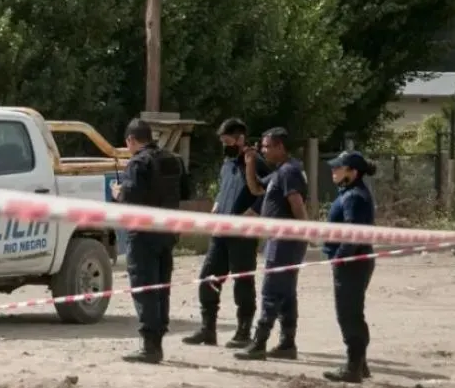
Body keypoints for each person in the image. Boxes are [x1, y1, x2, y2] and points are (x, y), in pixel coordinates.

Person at [183, 118, 269, 348]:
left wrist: (253, 212)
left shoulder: (255, 162)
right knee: (208, 278)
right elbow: (224, 190)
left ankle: (243, 332)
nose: (224, 145)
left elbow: (267, 191)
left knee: (243, 281)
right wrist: (217, 205)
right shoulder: (227, 164)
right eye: (222, 141)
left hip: (242, 233)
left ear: (240, 139)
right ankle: (207, 329)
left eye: (228, 141)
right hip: (221, 232)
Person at [110, 119, 183, 364]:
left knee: (144, 288)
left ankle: (150, 346)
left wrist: (118, 193)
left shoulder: (137, 163)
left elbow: (130, 199)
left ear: (131, 140)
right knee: (161, 287)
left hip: (143, 234)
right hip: (167, 232)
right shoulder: (172, 159)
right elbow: (185, 192)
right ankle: (157, 341)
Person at [235, 127, 309, 361]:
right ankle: (287, 344)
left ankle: (259, 343)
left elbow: (297, 204)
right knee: (286, 293)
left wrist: (301, 234)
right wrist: (250, 162)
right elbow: (256, 188)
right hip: (279, 240)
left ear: (280, 147)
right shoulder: (280, 172)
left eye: (267, 146)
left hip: (285, 241)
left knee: (271, 291)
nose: (263, 150)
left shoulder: (289, 172)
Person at [321, 151, 377, 383]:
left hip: (352, 263)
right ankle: (360, 365)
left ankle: (353, 367)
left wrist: (340, 258)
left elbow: (353, 234)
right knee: (352, 312)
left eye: (338, 168)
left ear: (353, 172)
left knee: (348, 314)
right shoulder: (350, 193)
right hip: (355, 261)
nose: (333, 171)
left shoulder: (354, 196)